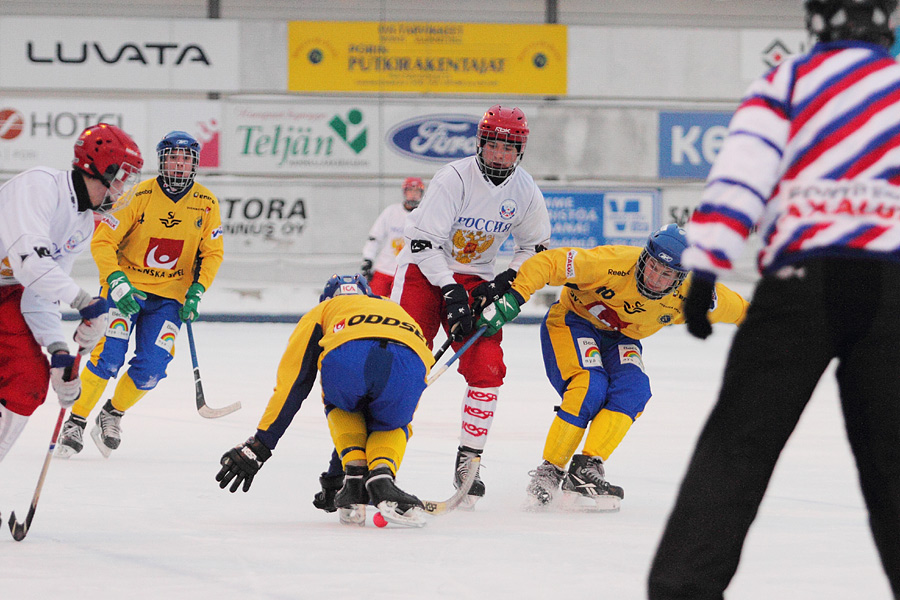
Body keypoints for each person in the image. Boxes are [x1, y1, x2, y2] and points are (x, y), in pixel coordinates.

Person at [648, 2, 900, 597]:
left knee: (737, 447)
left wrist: (705, 265)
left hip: (800, 283)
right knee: (894, 465)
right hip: (890, 283)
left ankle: (683, 590)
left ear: (817, 24)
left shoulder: (787, 80)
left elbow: (741, 177)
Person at [475, 225, 748, 510]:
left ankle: (586, 467)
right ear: (644, 257)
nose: (655, 279)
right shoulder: (612, 262)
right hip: (574, 321)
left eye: (666, 274)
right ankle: (550, 470)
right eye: (653, 266)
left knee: (634, 391)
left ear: (681, 278)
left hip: (622, 339)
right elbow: (549, 262)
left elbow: (742, 310)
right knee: (589, 386)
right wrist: (517, 295)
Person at [390, 104, 552, 507]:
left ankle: (469, 460)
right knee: (403, 361)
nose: (500, 154)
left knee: (487, 368)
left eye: (509, 147)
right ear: (481, 143)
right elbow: (423, 243)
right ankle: (373, 464)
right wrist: (449, 290)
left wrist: (503, 281)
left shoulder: (525, 190)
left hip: (476, 279)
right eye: (494, 145)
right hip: (424, 270)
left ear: (521, 151)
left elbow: (535, 248)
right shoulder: (453, 179)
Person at [215, 274, 436, 527]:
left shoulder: (322, 310)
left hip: (348, 354)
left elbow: (293, 384)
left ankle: (354, 474)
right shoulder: (392, 306)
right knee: (392, 422)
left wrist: (261, 444)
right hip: (411, 359)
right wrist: (333, 479)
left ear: (327, 298)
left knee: (342, 404)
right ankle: (382, 477)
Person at [56, 131, 224, 458]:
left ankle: (112, 414)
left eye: (186, 158)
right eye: (173, 157)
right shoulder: (138, 195)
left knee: (152, 367)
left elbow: (212, 252)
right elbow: (103, 240)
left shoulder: (206, 203)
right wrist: (116, 280)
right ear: (162, 160)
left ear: (195, 164)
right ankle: (75, 420)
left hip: (171, 298)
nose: (180, 163)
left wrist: (197, 291)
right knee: (108, 358)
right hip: (126, 291)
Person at [0, 123, 143, 462]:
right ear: (101, 168)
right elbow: (29, 261)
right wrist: (86, 303)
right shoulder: (39, 186)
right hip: (12, 283)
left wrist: (59, 350)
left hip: (7, 293)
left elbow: (40, 295)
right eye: (122, 176)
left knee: (29, 382)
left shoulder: (80, 224)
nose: (123, 188)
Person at [360, 177, 426, 296]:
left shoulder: (424, 215)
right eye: (410, 191)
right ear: (405, 192)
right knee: (375, 304)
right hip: (384, 270)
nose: (413, 195)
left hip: (408, 272)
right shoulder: (391, 211)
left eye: (417, 192)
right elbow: (374, 238)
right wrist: (368, 259)